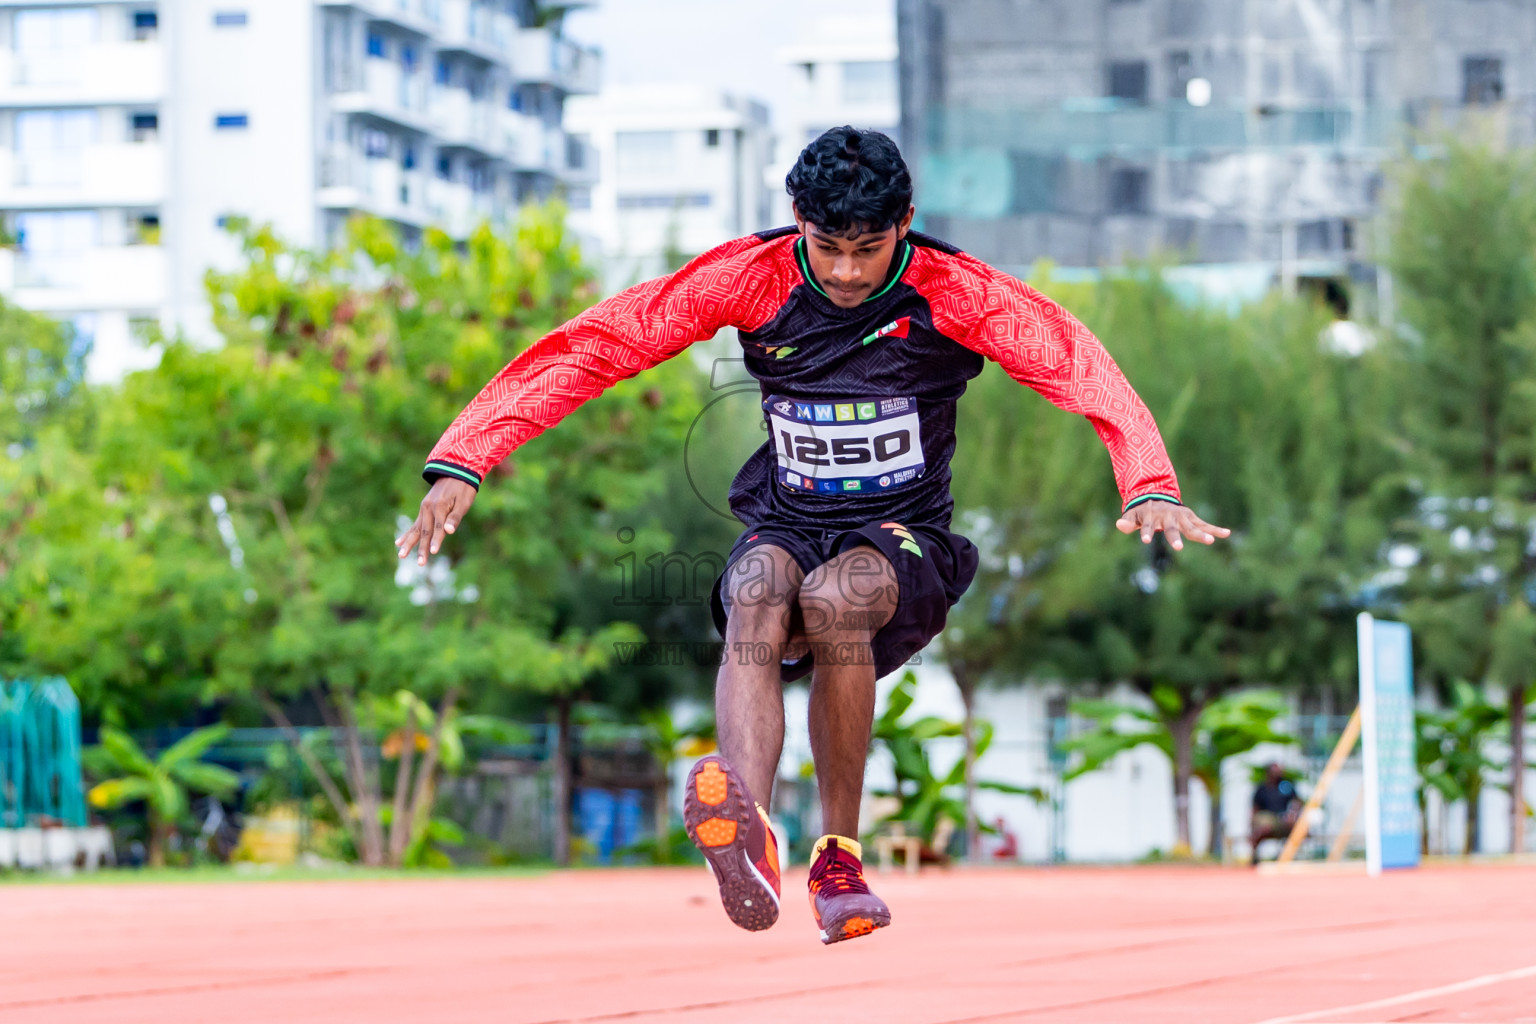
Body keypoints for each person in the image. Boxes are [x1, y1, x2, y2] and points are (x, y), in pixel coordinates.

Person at [396, 127, 1228, 944]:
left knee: (839, 597)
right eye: (827, 246)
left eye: (867, 249)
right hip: (788, 517)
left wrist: (1147, 479)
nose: (844, 271)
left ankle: (839, 858)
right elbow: (603, 342)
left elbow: (1071, 357)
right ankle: (748, 831)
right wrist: (467, 454)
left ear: (904, 223)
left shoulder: (956, 290)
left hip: (904, 537)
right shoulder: (752, 277)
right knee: (757, 587)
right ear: (798, 218)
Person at [1250, 762, 1302, 865]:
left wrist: (1293, 813)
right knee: (1264, 825)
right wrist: (1251, 824)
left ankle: (1288, 855)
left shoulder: (1286, 786)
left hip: (1282, 818)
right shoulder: (1262, 789)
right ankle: (1255, 857)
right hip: (1267, 818)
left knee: (1293, 826)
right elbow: (1255, 808)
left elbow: (1297, 801)